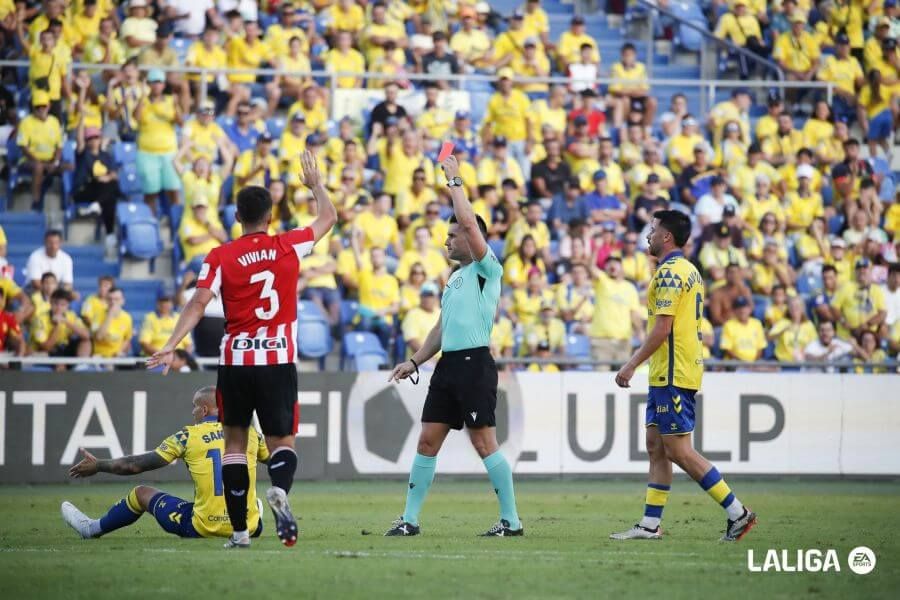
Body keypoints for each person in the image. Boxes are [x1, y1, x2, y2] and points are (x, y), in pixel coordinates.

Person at [147, 151, 337, 549]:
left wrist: (169, 346)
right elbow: (328, 219)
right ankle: (280, 490)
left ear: (236, 218)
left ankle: (238, 534)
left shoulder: (219, 255)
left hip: (235, 361)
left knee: (234, 444)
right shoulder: (289, 245)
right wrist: (315, 184)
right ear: (270, 216)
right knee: (282, 443)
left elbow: (198, 303)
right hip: (278, 358)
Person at [386, 155, 523, 537]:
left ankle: (511, 520)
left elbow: (467, 219)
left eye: (453, 234)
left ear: (471, 236)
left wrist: (454, 180)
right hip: (447, 367)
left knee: (484, 443)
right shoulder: (455, 279)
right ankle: (410, 520)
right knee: (427, 441)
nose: (447, 240)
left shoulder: (486, 269)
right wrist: (414, 362)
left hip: (475, 365)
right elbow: (441, 328)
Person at [612, 210, 756, 542]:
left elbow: (663, 328)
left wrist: (631, 363)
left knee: (678, 450)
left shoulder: (670, 274)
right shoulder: (687, 271)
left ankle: (738, 513)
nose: (647, 235)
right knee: (656, 447)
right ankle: (649, 524)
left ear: (666, 237)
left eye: (652, 229)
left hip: (673, 372)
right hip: (670, 370)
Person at [61, 386, 268, 541]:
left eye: (194, 407)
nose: (192, 412)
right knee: (247, 494)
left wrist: (99, 465)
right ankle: (253, 511)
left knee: (141, 493)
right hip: (249, 527)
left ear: (205, 410)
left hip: (203, 528)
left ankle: (92, 529)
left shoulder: (188, 435)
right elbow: (274, 460)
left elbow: (134, 465)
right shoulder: (250, 433)